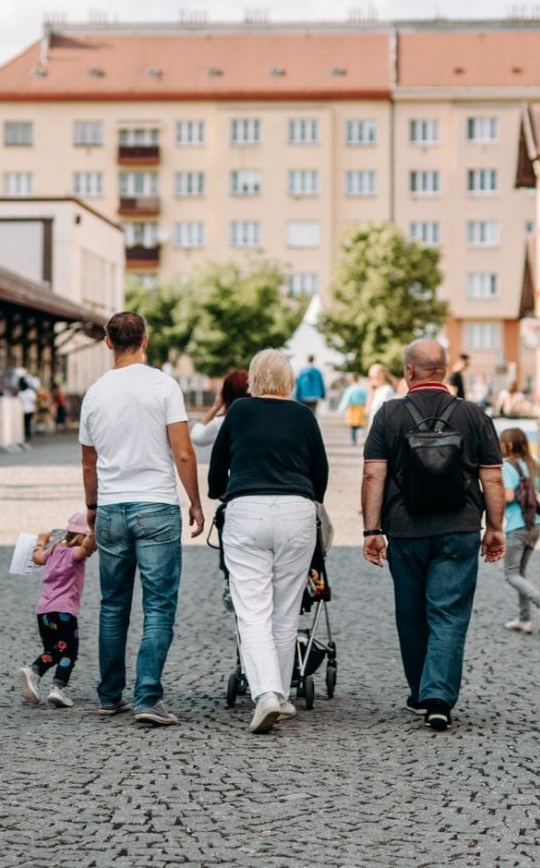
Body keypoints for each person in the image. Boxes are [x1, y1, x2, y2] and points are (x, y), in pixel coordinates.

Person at [361, 339, 505, 731]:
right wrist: (495, 528)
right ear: (442, 370)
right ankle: (438, 695)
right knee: (448, 612)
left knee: (411, 613)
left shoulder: (389, 414)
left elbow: (374, 473)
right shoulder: (473, 415)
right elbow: (492, 477)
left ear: (409, 371)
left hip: (405, 530)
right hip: (459, 529)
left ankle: (418, 694)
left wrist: (372, 530)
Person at [80, 311, 204, 727]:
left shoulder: (94, 393)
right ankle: (147, 696)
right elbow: (183, 451)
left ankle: (109, 695)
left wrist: (92, 507)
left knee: (113, 605)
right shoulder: (163, 385)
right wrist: (196, 501)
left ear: (108, 342)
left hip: (112, 508)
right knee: (158, 607)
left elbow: (88, 460)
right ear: (145, 340)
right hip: (156, 506)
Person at [208, 349, 329, 733]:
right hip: (296, 512)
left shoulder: (240, 411)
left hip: (247, 511)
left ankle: (266, 695)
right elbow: (320, 471)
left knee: (252, 609)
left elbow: (216, 469)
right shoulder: (303, 415)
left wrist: (221, 492)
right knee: (286, 609)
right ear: (288, 379)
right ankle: (281, 693)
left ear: (254, 378)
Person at [17, 510, 97, 708]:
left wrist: (41, 540)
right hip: (64, 612)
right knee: (69, 652)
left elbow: (37, 558)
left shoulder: (53, 550)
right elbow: (86, 549)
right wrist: (96, 530)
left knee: (54, 649)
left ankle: (34, 672)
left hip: (43, 611)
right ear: (82, 536)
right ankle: (57, 688)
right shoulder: (75, 554)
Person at [498, 427, 540, 635]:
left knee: (510, 574)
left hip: (517, 526)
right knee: (520, 572)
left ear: (508, 445)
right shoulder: (533, 465)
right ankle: (524, 619)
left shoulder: (508, 468)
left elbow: (506, 497)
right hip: (535, 525)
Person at [190, 370, 250, 452]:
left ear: (224, 394)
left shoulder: (222, 423)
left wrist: (215, 407)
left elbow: (196, 437)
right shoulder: (260, 419)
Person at [339, 373, 369, 445]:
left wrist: (342, 409)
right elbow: (366, 398)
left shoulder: (350, 389)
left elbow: (346, 399)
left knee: (353, 426)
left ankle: (354, 440)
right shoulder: (362, 389)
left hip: (352, 408)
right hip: (361, 408)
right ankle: (362, 438)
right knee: (361, 424)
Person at [18, 378, 37, 442]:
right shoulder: (30, 392)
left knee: (25, 424)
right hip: (30, 410)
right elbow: (34, 401)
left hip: (24, 410)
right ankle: (28, 434)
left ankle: (27, 435)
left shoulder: (20, 393)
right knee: (28, 423)